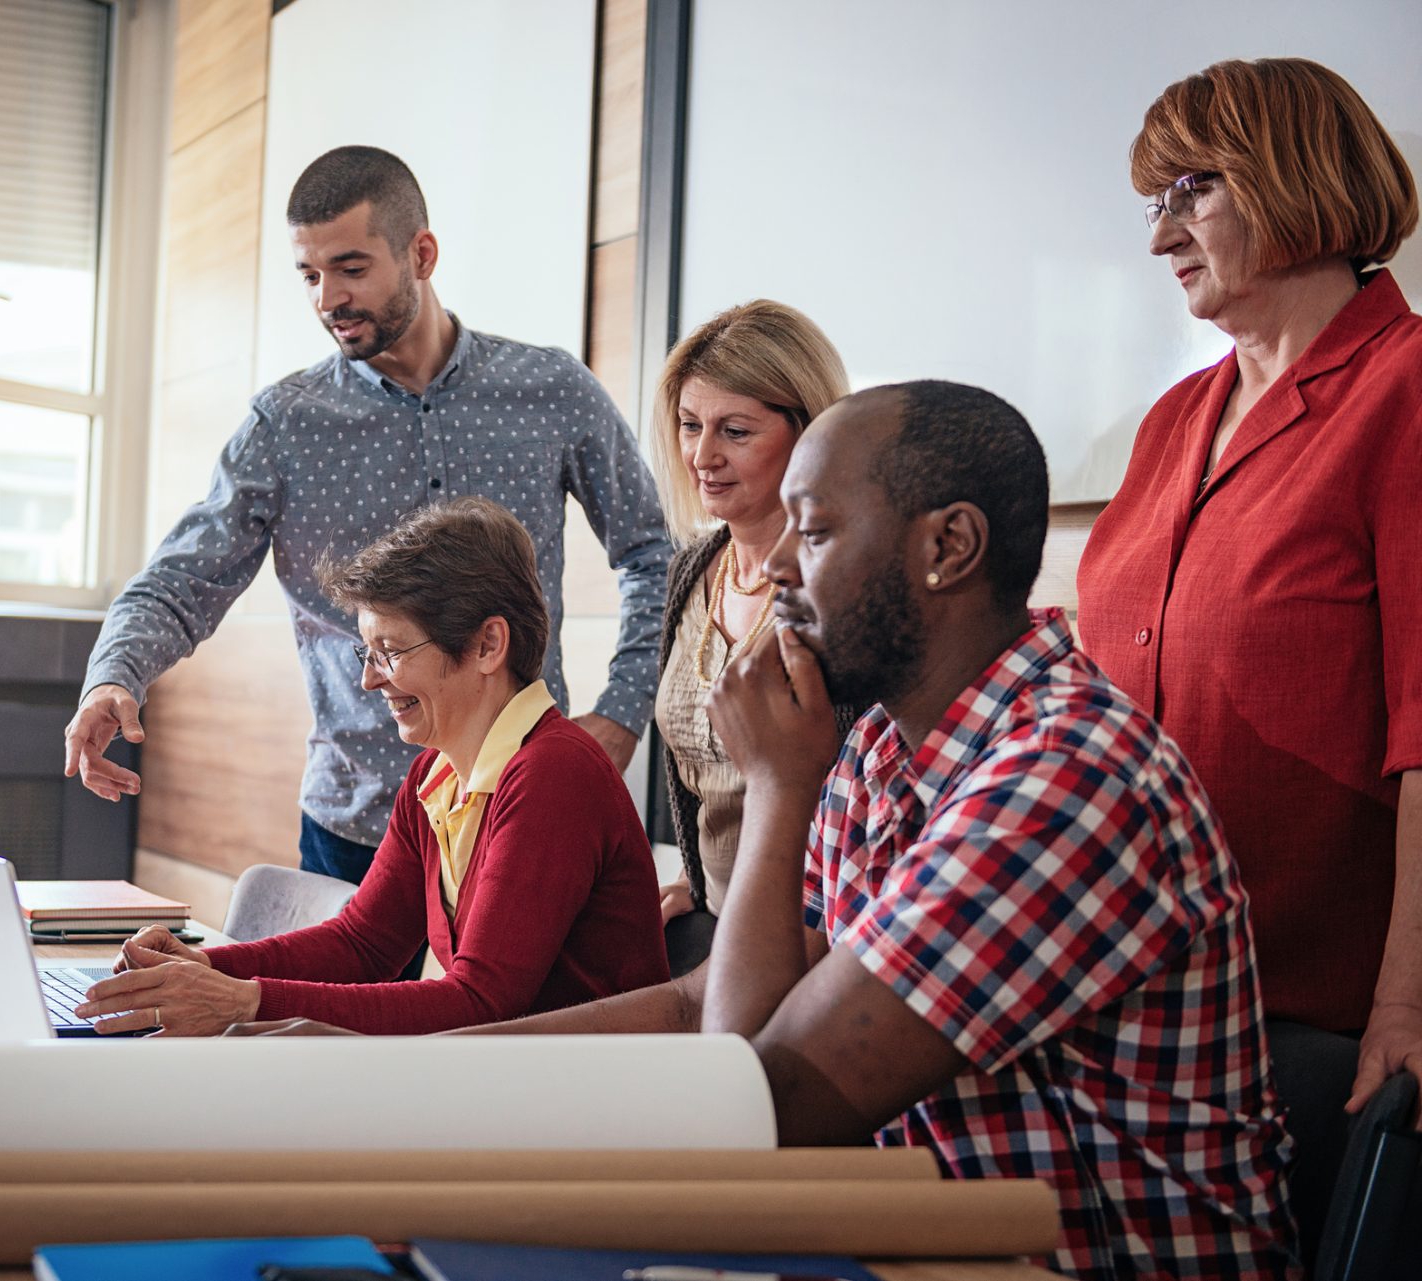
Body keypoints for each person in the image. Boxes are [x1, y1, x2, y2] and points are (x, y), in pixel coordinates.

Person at [258, 383, 1300, 1278]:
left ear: (948, 548)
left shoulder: (1062, 779)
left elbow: (762, 1096)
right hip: (901, 1233)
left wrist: (776, 789)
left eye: (815, 529)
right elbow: (698, 1008)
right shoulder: (889, 751)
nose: (780, 572)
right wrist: (391, 1069)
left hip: (1052, 1262)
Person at [63, 146, 671, 887]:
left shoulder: (551, 390)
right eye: (310, 275)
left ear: (422, 253)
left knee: (514, 1010)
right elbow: (180, 581)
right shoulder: (284, 424)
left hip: (525, 811)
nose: (328, 299)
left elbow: (651, 554)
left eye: (351, 268)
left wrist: (623, 712)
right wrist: (112, 677)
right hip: (358, 827)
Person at [1076, 58, 1422, 1112]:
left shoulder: (1406, 389)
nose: (1159, 237)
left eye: (1193, 193)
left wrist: (1407, 1004)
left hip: (1314, 1018)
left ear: (1297, 176)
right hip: (1127, 993)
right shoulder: (1174, 417)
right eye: (1153, 202)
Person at [71, 498, 670, 1036]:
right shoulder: (434, 775)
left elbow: (481, 1004)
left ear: (488, 645)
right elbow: (364, 944)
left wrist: (242, 1001)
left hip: (583, 1100)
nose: (368, 678)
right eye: (368, 650)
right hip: (508, 1082)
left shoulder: (553, 774)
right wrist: (200, 965)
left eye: (391, 651)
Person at [646, 301, 850, 926]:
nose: (702, 455)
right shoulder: (692, 571)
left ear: (811, 432)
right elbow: (696, 780)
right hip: (717, 919)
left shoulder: (846, 582)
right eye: (688, 425)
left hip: (816, 933)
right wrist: (694, 877)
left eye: (735, 431)